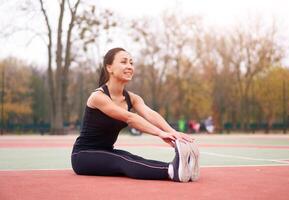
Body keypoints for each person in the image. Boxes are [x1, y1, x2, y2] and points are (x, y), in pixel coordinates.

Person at [71, 47, 199, 182]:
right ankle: (172, 171)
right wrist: (160, 133)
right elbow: (130, 118)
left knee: (132, 158)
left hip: (106, 151)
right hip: (83, 155)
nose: (129, 66)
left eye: (131, 63)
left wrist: (173, 132)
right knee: (123, 160)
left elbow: (150, 114)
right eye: (124, 62)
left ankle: (182, 168)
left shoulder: (132, 98)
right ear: (109, 68)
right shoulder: (98, 97)